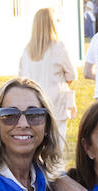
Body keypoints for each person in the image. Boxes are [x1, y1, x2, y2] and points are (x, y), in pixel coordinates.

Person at [19, 8, 79, 143]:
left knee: (36, 143)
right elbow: (72, 75)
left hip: (32, 102)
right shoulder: (59, 47)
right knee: (56, 144)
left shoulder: (27, 50)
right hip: (56, 102)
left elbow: (20, 77)